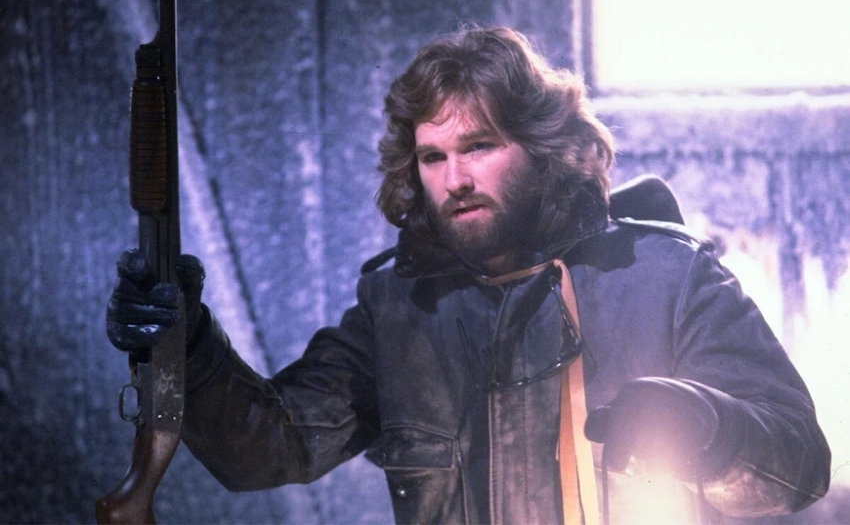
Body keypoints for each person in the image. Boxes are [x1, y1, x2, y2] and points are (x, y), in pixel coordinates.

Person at [106, 26, 830, 524]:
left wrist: (704, 426)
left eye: (479, 146)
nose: (454, 179)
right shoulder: (399, 307)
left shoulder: (667, 278)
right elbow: (271, 447)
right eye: (433, 157)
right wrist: (185, 345)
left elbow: (798, 468)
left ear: (542, 147)